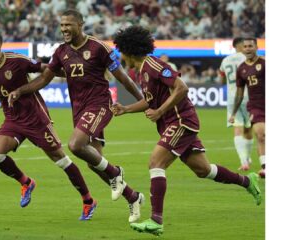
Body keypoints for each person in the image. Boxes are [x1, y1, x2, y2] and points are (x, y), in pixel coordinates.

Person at [112, 25, 262, 236]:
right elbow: (150, 101)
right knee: (204, 170)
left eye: (121, 51)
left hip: (181, 120)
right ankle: (248, 181)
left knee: (155, 163)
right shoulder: (143, 70)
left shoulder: (153, 65)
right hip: (172, 122)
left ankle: (156, 220)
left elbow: (182, 87)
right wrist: (126, 109)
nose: (121, 56)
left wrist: (160, 111)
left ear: (128, 49)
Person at [8, 9, 145, 223]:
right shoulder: (61, 51)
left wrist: (143, 102)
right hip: (79, 110)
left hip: (100, 105)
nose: (64, 29)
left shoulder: (98, 48)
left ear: (80, 25)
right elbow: (44, 79)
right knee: (94, 162)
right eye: (61, 25)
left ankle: (117, 173)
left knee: (75, 144)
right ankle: (133, 197)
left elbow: (124, 78)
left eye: (68, 25)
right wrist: (21, 90)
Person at [0, 28, 97, 220]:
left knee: (62, 161)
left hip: (36, 119)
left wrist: (73, 74)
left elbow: (46, 69)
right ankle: (26, 182)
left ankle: (88, 201)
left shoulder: (16, 60)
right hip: (13, 120)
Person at [230, 37, 265, 178]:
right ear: (242, 49)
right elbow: (239, 94)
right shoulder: (242, 69)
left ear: (256, 47)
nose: (248, 49)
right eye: (245, 46)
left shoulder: (265, 63)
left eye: (251, 46)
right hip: (256, 107)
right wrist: (233, 113)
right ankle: (265, 167)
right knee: (261, 135)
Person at [219, 37, 254, 171]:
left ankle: (243, 161)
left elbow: (221, 80)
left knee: (237, 128)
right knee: (248, 129)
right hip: (249, 95)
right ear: (241, 46)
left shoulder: (225, 60)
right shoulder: (248, 58)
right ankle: (247, 157)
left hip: (232, 97)